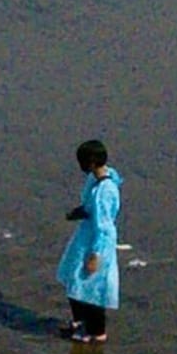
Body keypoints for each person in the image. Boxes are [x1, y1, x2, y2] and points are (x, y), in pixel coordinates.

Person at [57, 139, 122, 343]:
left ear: (92, 162)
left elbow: (103, 225)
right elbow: (90, 207)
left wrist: (96, 254)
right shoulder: (95, 181)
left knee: (93, 286)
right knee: (74, 276)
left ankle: (96, 331)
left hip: (96, 240)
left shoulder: (105, 190)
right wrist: (80, 212)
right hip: (85, 235)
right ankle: (79, 320)